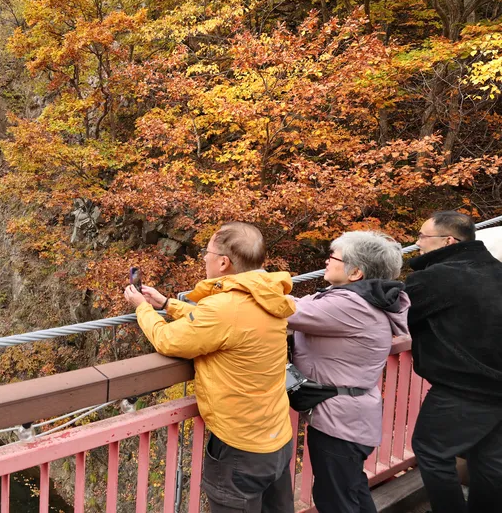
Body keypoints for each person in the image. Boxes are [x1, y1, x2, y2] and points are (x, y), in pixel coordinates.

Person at [124, 222, 296, 513]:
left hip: (241, 449)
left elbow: (168, 340)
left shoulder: (224, 308)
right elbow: (222, 321)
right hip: (277, 439)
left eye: (207, 252)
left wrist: (142, 307)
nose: (204, 258)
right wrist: (167, 303)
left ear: (223, 263)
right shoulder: (269, 296)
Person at [286, 231, 410, 513]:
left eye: (333, 256)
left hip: (340, 422)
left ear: (356, 272)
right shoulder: (358, 298)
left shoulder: (349, 305)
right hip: (351, 415)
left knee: (336, 499)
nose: (326, 261)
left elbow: (283, 310)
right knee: (351, 491)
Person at [406, 211, 502, 512]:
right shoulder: (496, 270)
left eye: (422, 236)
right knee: (489, 460)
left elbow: (399, 311)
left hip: (465, 388)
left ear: (448, 241)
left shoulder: (438, 277)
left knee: (431, 450)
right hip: (495, 387)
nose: (417, 243)